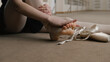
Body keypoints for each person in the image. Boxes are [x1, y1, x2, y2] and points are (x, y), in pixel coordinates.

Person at [0, 0, 110, 41]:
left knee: (69, 21)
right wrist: (49, 18)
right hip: (12, 21)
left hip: (33, 20)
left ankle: (53, 27)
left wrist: (45, 7)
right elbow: (17, 5)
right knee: (58, 21)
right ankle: (52, 26)